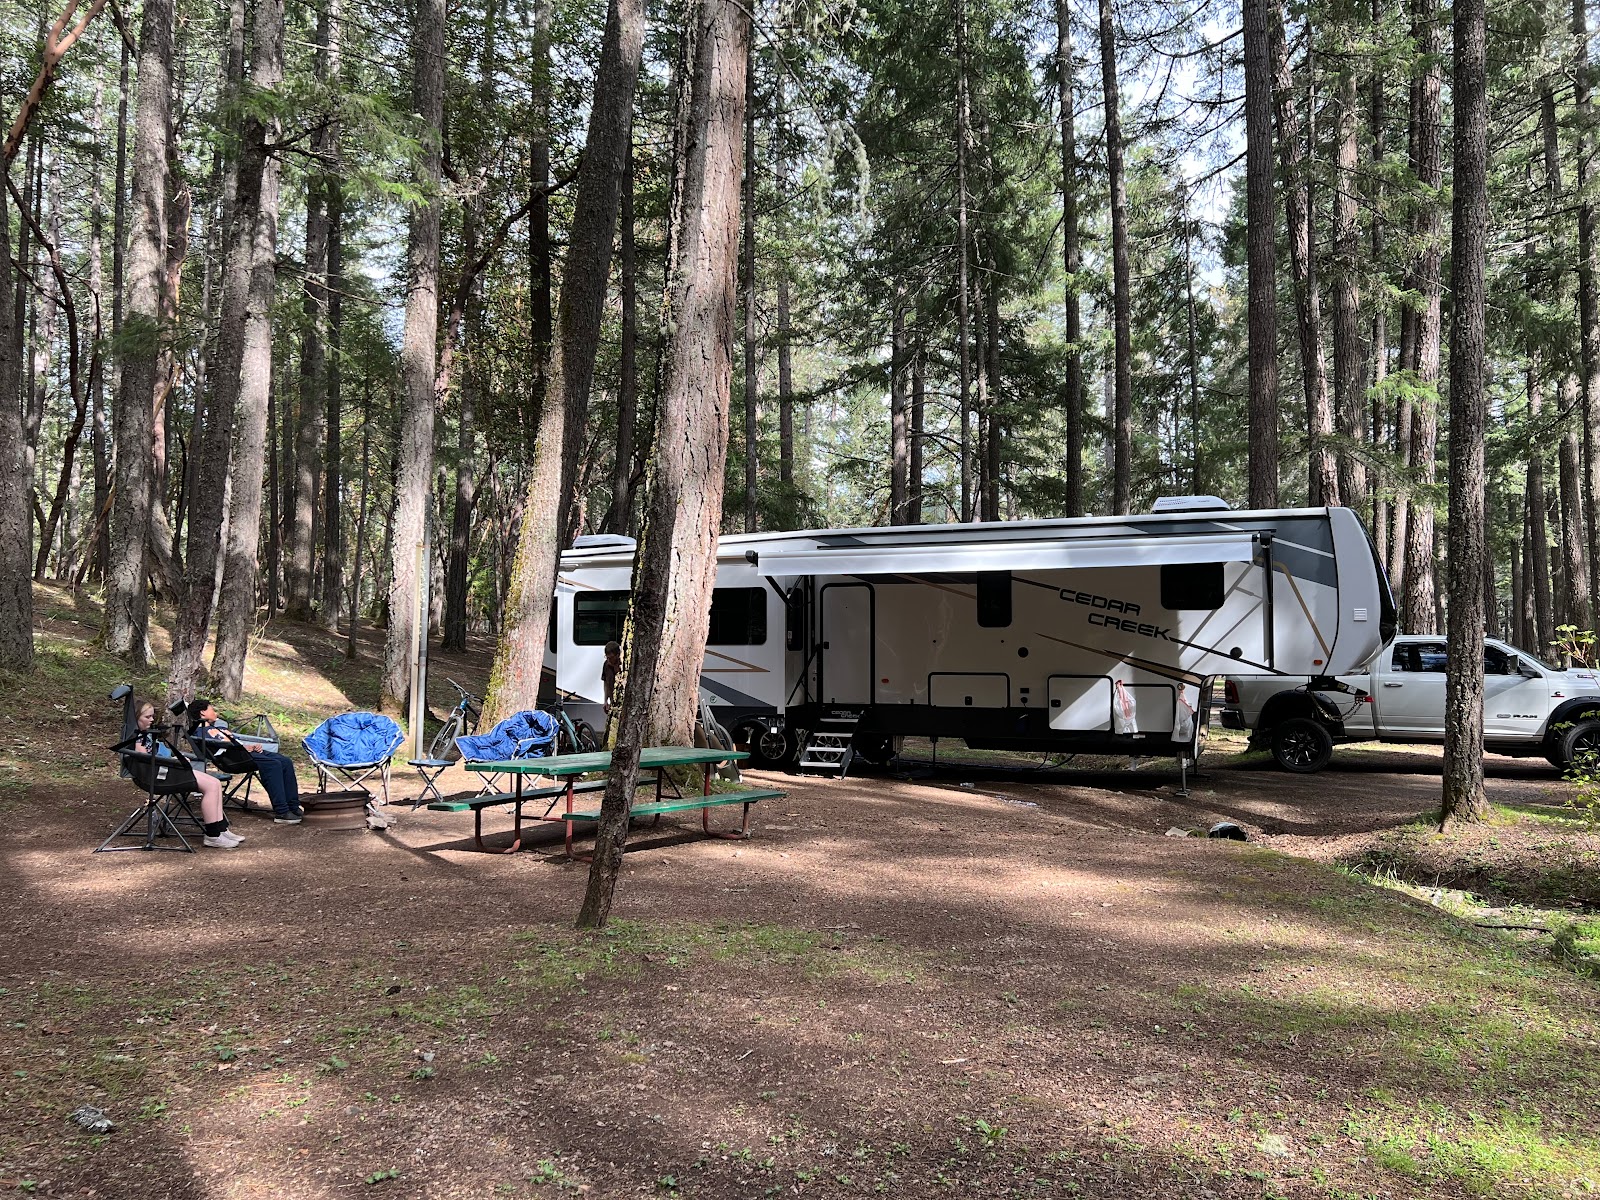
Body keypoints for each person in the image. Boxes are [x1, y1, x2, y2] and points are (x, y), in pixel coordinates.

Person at [134, 701, 242, 849]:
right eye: (147, 717)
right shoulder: (137, 737)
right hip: (160, 775)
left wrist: (175, 759)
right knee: (210, 786)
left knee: (215, 783)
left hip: (169, 769)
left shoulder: (145, 734)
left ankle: (221, 829)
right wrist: (173, 761)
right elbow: (145, 760)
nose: (152, 720)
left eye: (152, 716)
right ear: (136, 718)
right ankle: (212, 835)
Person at [188, 698, 304, 823]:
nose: (215, 713)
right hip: (232, 759)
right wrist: (244, 747)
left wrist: (251, 746)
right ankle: (282, 811)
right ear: (203, 713)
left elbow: (233, 739)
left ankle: (293, 806)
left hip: (243, 753)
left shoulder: (215, 728)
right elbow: (223, 746)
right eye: (212, 709)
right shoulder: (201, 732)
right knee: (273, 765)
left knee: (285, 761)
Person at [602, 640, 622, 714]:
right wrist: (605, 700)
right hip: (613, 701)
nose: (608, 660)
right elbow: (606, 683)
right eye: (607, 657)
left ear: (617, 655)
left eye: (611, 657)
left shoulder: (623, 666)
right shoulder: (606, 665)